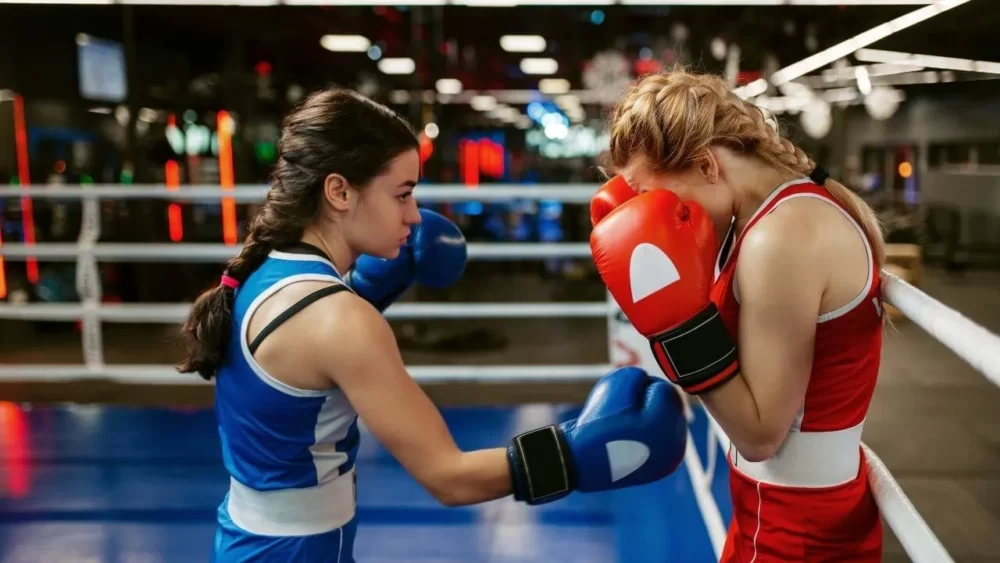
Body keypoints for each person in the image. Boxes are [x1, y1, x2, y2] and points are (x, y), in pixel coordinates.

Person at [176, 87, 688, 563]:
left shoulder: (261, 271)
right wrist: (576, 452)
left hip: (246, 539)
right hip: (298, 551)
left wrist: (373, 289)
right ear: (339, 192)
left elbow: (302, 363)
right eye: (402, 194)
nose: (416, 216)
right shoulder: (340, 319)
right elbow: (450, 477)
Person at [590, 68, 885, 562]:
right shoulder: (762, 219)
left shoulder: (780, 238)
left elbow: (759, 433)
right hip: (776, 511)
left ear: (707, 165)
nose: (650, 215)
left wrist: (677, 326)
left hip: (798, 529)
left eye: (652, 196)